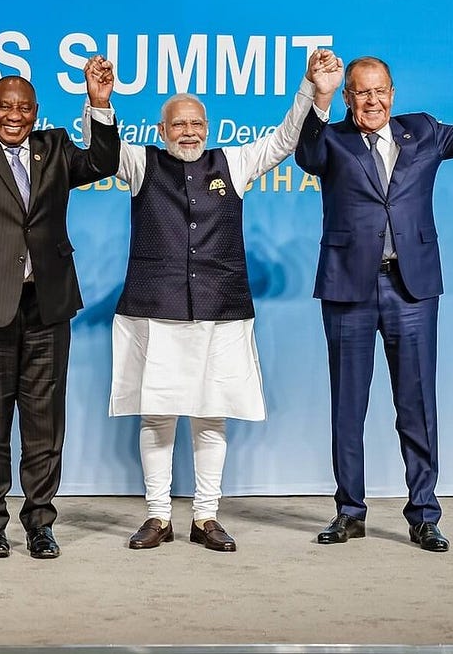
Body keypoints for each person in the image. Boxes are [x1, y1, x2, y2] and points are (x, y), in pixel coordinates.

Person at [295, 25, 453, 552]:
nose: (371, 100)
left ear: (392, 95)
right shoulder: (331, 139)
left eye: (379, 91)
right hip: (348, 289)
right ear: (349, 97)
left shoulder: (422, 131)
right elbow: (305, 153)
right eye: (361, 92)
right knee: (347, 406)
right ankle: (349, 511)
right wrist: (320, 94)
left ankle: (423, 514)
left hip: (412, 289)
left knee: (416, 405)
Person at [105, 48, 343, 552]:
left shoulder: (232, 162)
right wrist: (99, 103)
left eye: (196, 123)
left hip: (221, 309)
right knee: (158, 415)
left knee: (212, 415)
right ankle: (158, 516)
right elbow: (103, 148)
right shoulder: (139, 162)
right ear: (162, 129)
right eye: (178, 125)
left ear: (208, 127)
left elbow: (283, 140)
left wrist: (310, 88)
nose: (188, 132)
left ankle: (206, 517)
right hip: (154, 310)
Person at [0, 57, 119, 560]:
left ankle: (39, 522)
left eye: (24, 108)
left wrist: (98, 104)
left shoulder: (54, 149)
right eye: (4, 106)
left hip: (46, 305)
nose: (14, 115)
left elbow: (102, 163)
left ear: (36, 111)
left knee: (44, 422)